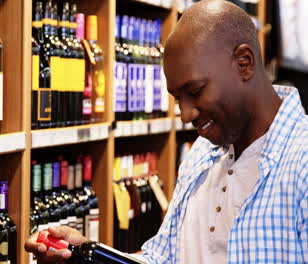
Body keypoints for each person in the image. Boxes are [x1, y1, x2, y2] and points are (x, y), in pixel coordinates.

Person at [24, 0, 308, 263]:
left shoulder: (301, 161)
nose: (185, 115)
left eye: (195, 91)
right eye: (177, 99)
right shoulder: (202, 154)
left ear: (244, 63)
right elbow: (162, 258)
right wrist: (91, 256)